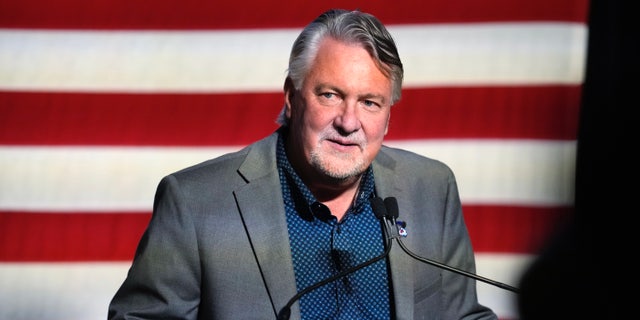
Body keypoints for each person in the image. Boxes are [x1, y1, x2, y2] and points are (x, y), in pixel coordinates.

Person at [108, 8, 497, 320]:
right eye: (330, 95)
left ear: (388, 114)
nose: (349, 122)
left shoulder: (430, 188)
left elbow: (461, 315)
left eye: (370, 102)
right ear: (292, 98)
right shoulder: (197, 203)